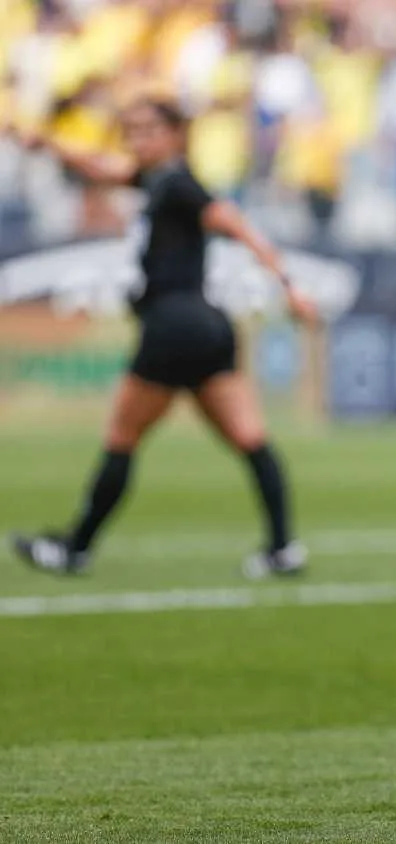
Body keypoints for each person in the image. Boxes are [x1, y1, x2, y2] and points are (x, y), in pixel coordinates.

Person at [8, 97, 313, 580]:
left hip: (173, 325)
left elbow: (233, 223)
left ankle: (75, 548)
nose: (136, 140)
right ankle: (282, 549)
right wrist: (47, 143)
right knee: (249, 437)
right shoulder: (158, 180)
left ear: (176, 135)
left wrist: (289, 286)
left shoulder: (179, 183)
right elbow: (100, 167)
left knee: (121, 438)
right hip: (210, 327)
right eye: (131, 131)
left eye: (148, 130)